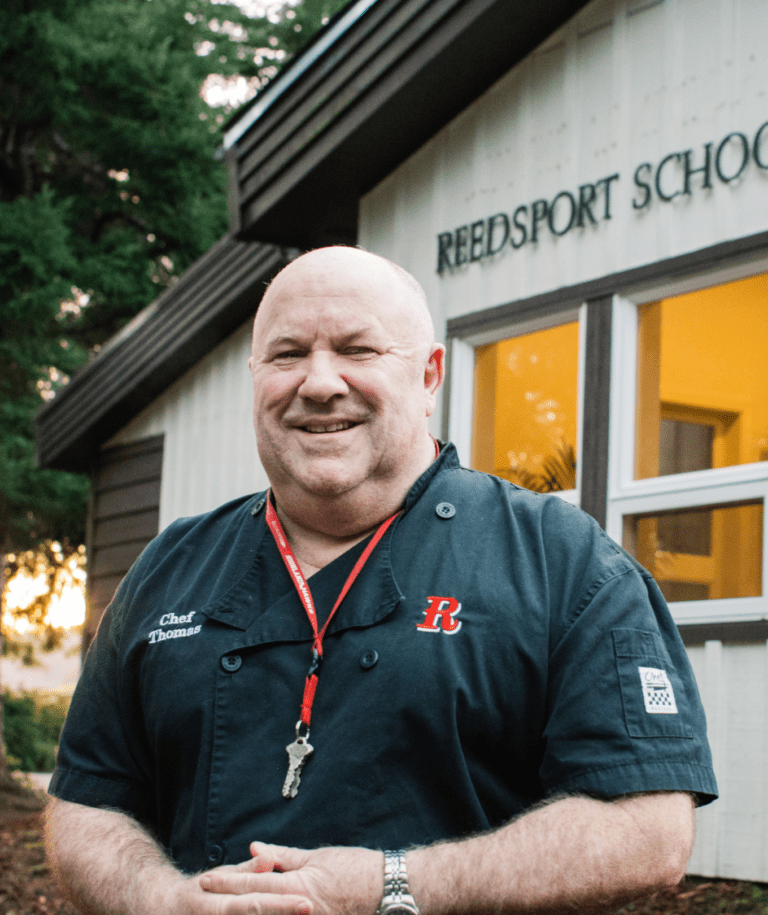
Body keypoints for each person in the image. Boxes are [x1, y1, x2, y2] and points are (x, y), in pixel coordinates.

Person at [46, 246, 717, 915]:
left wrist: (394, 884)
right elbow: (84, 805)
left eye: (357, 350)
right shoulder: (169, 568)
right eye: (286, 355)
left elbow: (646, 827)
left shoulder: (563, 563)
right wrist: (162, 900)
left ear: (429, 376)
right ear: (254, 376)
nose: (318, 382)